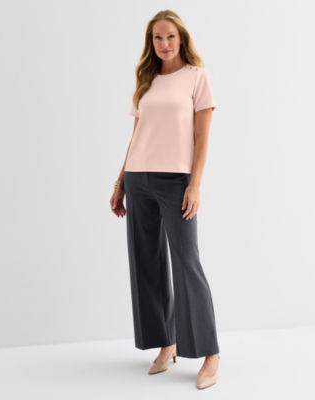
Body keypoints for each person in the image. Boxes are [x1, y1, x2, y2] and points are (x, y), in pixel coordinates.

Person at [110, 9, 220, 390]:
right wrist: (121, 181)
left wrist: (195, 184)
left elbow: (202, 137)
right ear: (151, 42)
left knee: (186, 261)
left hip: (176, 181)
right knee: (146, 261)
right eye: (157, 38)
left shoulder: (197, 77)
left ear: (181, 38)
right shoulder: (147, 79)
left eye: (170, 36)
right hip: (138, 177)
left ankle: (210, 353)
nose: (164, 44)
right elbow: (137, 135)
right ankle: (166, 342)